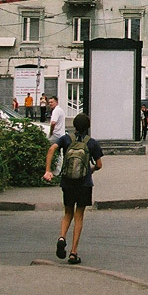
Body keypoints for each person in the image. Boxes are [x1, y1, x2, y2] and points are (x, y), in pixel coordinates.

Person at [44, 113, 103, 265]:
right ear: (88, 127)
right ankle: (73, 252)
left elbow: (51, 149)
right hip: (84, 183)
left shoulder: (65, 139)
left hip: (67, 182)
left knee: (67, 212)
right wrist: (92, 170)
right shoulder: (91, 143)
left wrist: (48, 170)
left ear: (74, 126)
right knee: (79, 216)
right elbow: (99, 164)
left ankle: (62, 237)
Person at [48, 95, 66, 175]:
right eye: (49, 102)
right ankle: (59, 170)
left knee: (48, 148)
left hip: (56, 134)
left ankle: (52, 170)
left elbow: (53, 123)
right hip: (61, 134)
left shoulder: (56, 111)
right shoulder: (60, 110)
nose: (50, 104)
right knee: (59, 153)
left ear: (56, 102)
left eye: (52, 102)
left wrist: (51, 133)